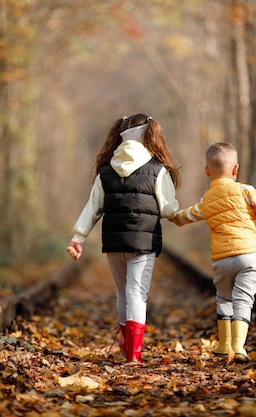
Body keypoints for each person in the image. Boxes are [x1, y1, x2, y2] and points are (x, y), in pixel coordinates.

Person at [66, 113, 181, 365]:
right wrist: (187, 215)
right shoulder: (157, 170)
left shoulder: (106, 171)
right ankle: (134, 354)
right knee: (136, 293)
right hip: (144, 242)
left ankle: (127, 343)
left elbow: (92, 208)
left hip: (114, 241)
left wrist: (78, 238)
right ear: (149, 136)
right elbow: (169, 210)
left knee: (122, 293)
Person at [171, 142, 256, 363]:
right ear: (235, 169)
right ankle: (238, 347)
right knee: (244, 300)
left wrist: (170, 213)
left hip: (221, 259)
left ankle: (223, 345)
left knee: (224, 298)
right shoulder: (245, 190)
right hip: (249, 255)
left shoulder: (206, 201)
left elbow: (185, 217)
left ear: (207, 171)